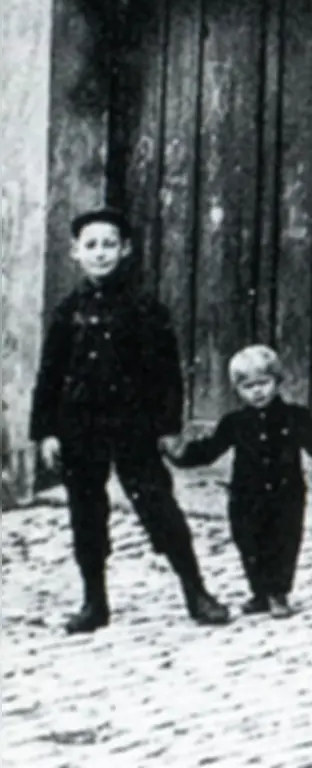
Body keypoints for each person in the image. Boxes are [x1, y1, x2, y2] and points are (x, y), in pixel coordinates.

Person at [28, 207, 231, 633]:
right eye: (91, 246)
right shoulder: (68, 311)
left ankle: (196, 591)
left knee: (157, 504)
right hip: (79, 428)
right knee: (86, 513)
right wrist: (45, 431)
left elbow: (167, 374)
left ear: (125, 250)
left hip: (133, 427)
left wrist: (169, 427)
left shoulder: (145, 308)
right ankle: (94, 601)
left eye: (109, 245)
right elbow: (49, 374)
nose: (100, 254)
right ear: (75, 253)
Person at [161, 345, 312, 618]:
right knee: (249, 542)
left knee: (283, 542)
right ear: (238, 390)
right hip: (246, 496)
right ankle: (259, 592)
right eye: (248, 386)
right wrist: (179, 455)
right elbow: (209, 450)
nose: (257, 391)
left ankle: (278, 593)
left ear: (278, 381)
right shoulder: (234, 423)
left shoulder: (295, 417)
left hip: (286, 494)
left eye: (264, 383)